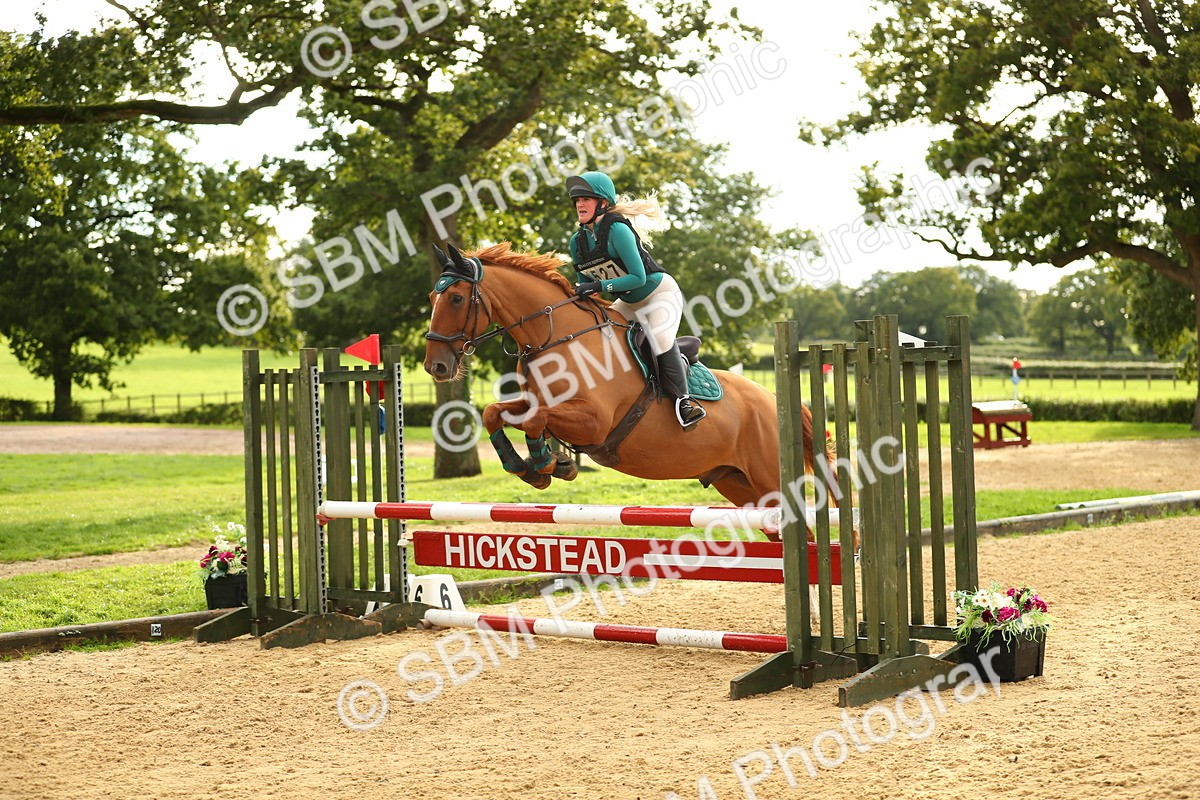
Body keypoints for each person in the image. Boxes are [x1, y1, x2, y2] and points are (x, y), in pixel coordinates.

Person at [565, 170, 705, 429]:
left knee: (659, 337)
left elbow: (638, 277)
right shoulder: (577, 242)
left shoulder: (617, 229)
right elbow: (586, 282)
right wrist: (585, 290)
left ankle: (684, 402)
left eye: (586, 199)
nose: (580, 205)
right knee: (602, 336)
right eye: (577, 201)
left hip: (659, 294)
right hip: (629, 302)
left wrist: (601, 285)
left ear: (603, 204)